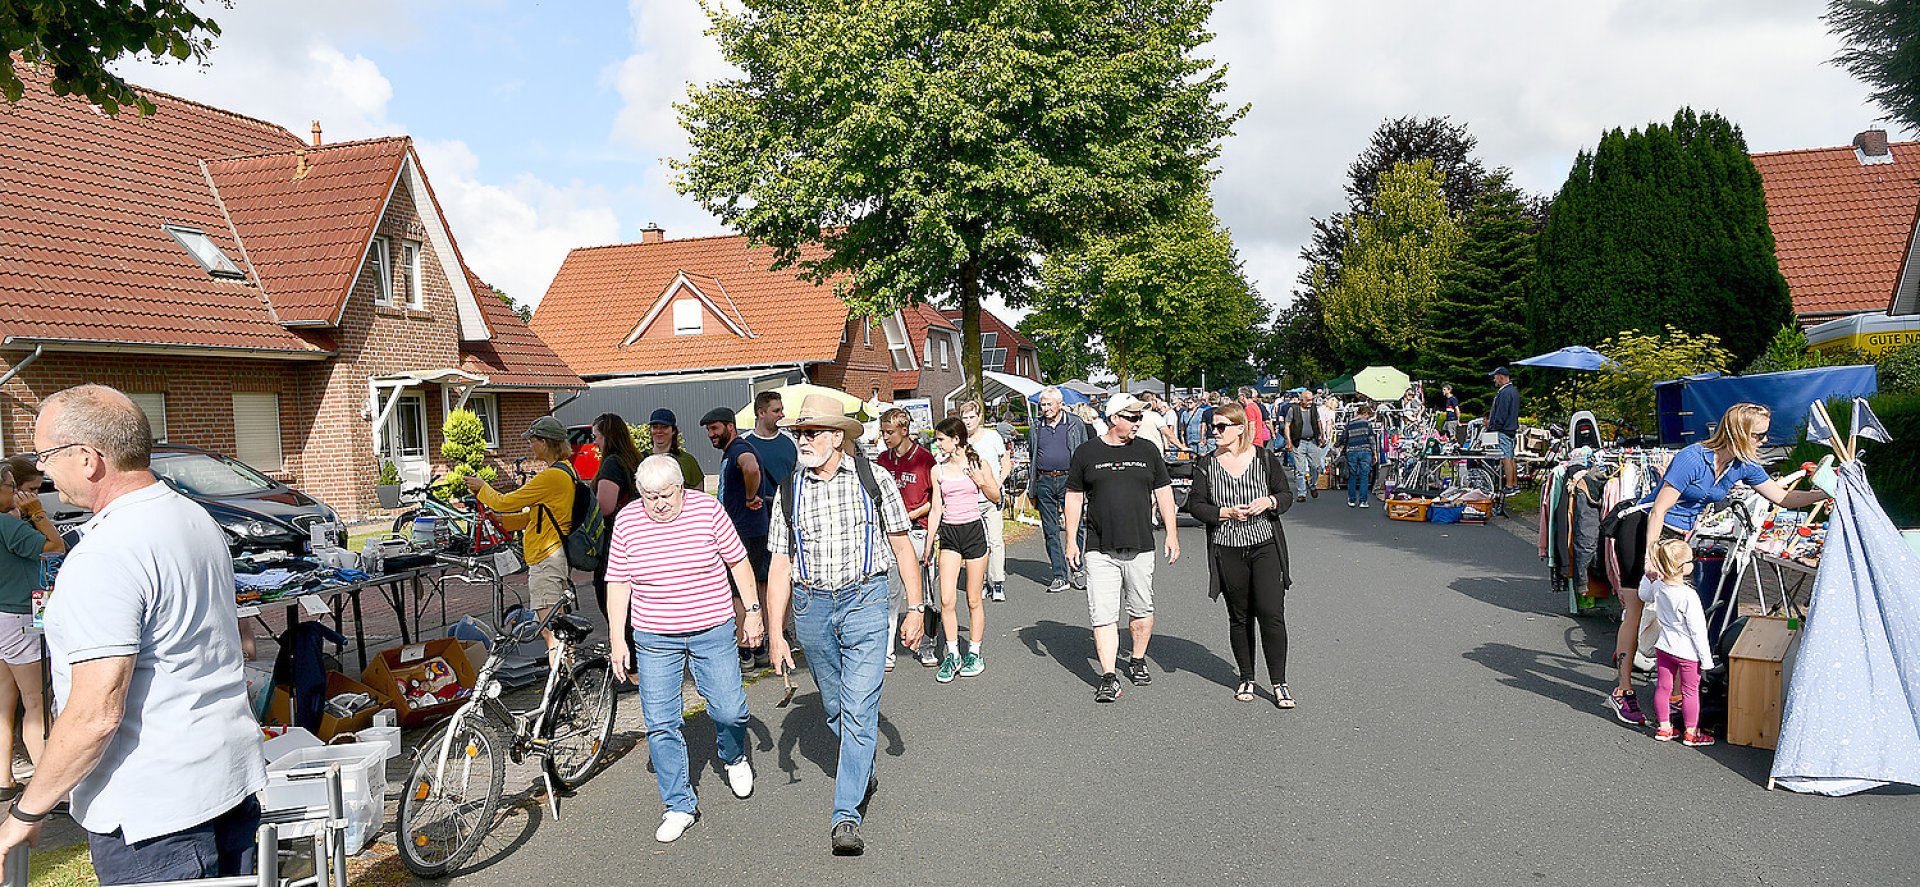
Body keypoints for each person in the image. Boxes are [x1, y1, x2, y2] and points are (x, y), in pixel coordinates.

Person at [0, 385, 264, 883]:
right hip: (223, 779)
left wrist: (28, 811)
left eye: (47, 456)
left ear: (88, 458)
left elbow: (96, 711)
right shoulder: (192, 516)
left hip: (155, 813)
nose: (44, 473)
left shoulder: (106, 553)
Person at [765, 394, 925, 856]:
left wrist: (915, 607)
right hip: (811, 606)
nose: (803, 440)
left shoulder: (873, 480)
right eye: (800, 433)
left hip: (865, 601)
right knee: (836, 708)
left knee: (858, 708)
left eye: (812, 432)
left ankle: (845, 815)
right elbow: (779, 563)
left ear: (837, 437)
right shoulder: (790, 489)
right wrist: (777, 633)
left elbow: (902, 546)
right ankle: (861, 765)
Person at [1607, 402, 1829, 725]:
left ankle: (1674, 693)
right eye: (1759, 435)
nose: (1764, 441)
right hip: (1644, 528)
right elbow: (1658, 511)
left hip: (1678, 538)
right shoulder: (1692, 459)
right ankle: (1623, 691)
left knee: (1680, 613)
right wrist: (1651, 555)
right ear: (1740, 433)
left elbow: (1781, 497)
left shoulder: (1742, 465)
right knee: (1636, 608)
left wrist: (1822, 494)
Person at [605, 455, 763, 842]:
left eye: (666, 494)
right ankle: (678, 804)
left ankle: (733, 755)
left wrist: (754, 611)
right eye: (649, 496)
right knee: (660, 722)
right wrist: (616, 638)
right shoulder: (627, 520)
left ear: (682, 488)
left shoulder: (708, 510)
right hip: (655, 635)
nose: (658, 503)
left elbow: (738, 561)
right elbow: (618, 581)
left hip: (712, 627)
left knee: (730, 709)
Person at [1064, 393, 1181, 704]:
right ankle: (1108, 676)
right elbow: (1074, 496)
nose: (1138, 422)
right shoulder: (1087, 452)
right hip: (1099, 547)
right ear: (1114, 417)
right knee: (1102, 614)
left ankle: (1138, 658)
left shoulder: (1148, 450)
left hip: (1141, 544)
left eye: (1140, 417)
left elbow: (1164, 491)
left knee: (1141, 610)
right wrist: (1070, 539)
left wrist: (1172, 533)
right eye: (1132, 417)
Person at [1184, 403, 1297, 707]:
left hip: (1264, 545)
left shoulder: (1263, 458)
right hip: (1227, 547)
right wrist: (1223, 512)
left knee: (1272, 614)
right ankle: (1246, 676)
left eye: (1221, 427)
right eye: (1213, 426)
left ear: (1239, 429)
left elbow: (1288, 494)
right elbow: (1195, 505)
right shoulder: (1206, 464)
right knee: (1240, 616)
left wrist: (1270, 501)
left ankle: (1279, 682)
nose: (1214, 432)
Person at [468, 416, 577, 651]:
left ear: (545, 443)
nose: (530, 446)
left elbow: (505, 501)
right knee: (559, 630)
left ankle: (562, 683)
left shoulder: (551, 476)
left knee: (552, 635)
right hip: (553, 555)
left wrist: (482, 488)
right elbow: (536, 517)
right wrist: (502, 521)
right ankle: (568, 681)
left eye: (533, 440)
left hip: (546, 559)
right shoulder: (565, 471)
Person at [0, 460, 62, 804]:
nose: (18, 494)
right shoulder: (7, 526)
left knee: (3, 705)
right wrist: (37, 512)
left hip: (0, 615)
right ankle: (48, 789)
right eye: (12, 488)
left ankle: (4, 780)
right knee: (36, 703)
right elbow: (54, 546)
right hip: (18, 614)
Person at [925, 417, 1001, 682]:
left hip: (973, 533)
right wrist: (927, 545)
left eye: (941, 439)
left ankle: (975, 652)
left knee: (973, 599)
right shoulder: (938, 470)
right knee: (946, 599)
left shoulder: (978, 464)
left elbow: (996, 496)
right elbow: (936, 509)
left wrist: (981, 481)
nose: (938, 444)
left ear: (955, 439)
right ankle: (953, 653)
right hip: (949, 535)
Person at [702, 406, 769, 665]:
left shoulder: (740, 449)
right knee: (746, 588)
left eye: (715, 428)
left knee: (739, 591)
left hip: (745, 532)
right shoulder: (733, 450)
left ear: (730, 426)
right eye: (709, 430)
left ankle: (746, 650)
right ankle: (758, 648)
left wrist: (751, 496)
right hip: (749, 530)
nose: (711, 434)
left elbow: (751, 469)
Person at [875, 408, 938, 668]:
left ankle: (927, 646)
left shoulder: (924, 460)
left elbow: (936, 500)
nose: (885, 437)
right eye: (883, 432)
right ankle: (887, 650)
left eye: (889, 432)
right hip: (890, 534)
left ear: (904, 430)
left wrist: (911, 513)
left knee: (924, 592)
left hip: (918, 531)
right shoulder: (882, 460)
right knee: (890, 594)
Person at [1636, 538, 1716, 746]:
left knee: (1664, 687)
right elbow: (1698, 631)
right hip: (1687, 652)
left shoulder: (1659, 587)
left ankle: (1664, 728)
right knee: (1690, 692)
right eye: (1690, 560)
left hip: (1664, 647)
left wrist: (1648, 577)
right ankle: (1691, 732)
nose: (1692, 563)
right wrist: (1706, 661)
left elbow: (1643, 595)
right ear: (1681, 568)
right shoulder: (1689, 596)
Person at [1028, 387, 1091, 594]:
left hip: (1070, 480)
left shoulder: (1075, 423)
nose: (1045, 409)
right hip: (1045, 480)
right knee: (1050, 529)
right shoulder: (1036, 426)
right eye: (1042, 405)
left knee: (1076, 526)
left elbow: (1083, 452)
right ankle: (1059, 575)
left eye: (1049, 404)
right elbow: (1032, 452)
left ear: (1060, 404)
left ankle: (1077, 568)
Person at [589, 413, 642, 624]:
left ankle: (626, 652)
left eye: (596, 437)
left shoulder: (612, 463)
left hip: (614, 542)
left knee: (612, 601)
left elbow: (605, 506)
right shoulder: (635, 459)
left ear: (607, 437)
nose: (594, 443)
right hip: (637, 538)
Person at [956, 400, 1011, 602]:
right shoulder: (960, 440)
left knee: (995, 540)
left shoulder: (992, 437)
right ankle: (979, 582)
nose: (968, 421)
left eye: (971, 417)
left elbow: (1006, 462)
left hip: (991, 497)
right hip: (970, 499)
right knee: (977, 544)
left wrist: (998, 481)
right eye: (965, 417)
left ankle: (997, 582)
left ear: (979, 418)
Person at [1282, 389, 1328, 502]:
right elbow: (1287, 425)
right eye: (1308, 400)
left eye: (1311, 400)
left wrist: (1322, 435)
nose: (1310, 402)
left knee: (1316, 466)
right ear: (1301, 400)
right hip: (1299, 441)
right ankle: (1301, 493)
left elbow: (1318, 422)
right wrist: (1288, 441)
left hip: (1313, 441)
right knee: (1300, 470)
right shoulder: (1293, 410)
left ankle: (1312, 484)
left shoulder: (1313, 409)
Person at [646, 408, 705, 490]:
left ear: (673, 431)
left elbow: (699, 495)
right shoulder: (640, 459)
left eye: (664, 427)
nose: (659, 431)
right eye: (655, 427)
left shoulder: (688, 461)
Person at [1488, 367, 1521, 495]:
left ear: (1501, 377)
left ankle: (1508, 485)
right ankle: (1514, 483)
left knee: (1506, 458)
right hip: (1511, 429)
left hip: (1504, 429)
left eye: (1495, 377)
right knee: (1511, 457)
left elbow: (1501, 413)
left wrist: (1494, 427)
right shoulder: (1513, 391)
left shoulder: (1504, 393)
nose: (1494, 379)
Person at [1342, 403, 1380, 508]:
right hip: (1365, 451)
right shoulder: (1366, 424)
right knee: (1364, 476)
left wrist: (1338, 446)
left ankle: (1352, 499)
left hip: (1352, 451)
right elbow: (1371, 439)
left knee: (1352, 476)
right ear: (1365, 414)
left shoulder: (1349, 423)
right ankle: (1363, 501)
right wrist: (1375, 453)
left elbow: (1343, 437)